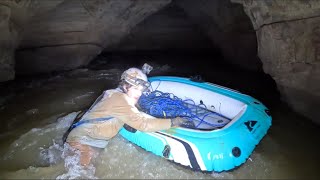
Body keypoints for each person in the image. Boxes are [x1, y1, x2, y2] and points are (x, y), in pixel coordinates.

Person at [63, 63, 193, 167]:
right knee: (82, 172)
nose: (139, 93)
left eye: (141, 90)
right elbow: (143, 124)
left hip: (92, 139)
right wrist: (174, 122)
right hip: (82, 141)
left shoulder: (118, 94)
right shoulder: (120, 100)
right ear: (125, 86)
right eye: (136, 89)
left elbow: (132, 111)